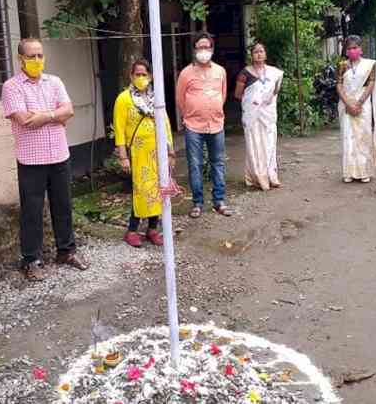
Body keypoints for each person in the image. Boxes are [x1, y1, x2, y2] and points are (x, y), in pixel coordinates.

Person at [1, 38, 89, 281]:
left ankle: (66, 251)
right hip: (31, 160)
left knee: (63, 205)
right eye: (31, 56)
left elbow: (69, 111)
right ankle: (31, 260)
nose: (37, 60)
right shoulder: (12, 87)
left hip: (59, 154)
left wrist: (44, 115)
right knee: (32, 211)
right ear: (21, 59)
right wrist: (55, 115)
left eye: (40, 55)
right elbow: (24, 119)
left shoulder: (55, 82)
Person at [113, 58, 175, 247]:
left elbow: (165, 123)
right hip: (137, 154)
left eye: (144, 74)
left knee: (159, 190)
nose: (141, 78)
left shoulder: (156, 98)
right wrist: (123, 156)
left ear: (150, 76)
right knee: (140, 191)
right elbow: (119, 129)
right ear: (131, 76)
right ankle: (132, 230)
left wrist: (170, 151)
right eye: (137, 74)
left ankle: (152, 229)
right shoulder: (124, 99)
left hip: (158, 153)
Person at [175, 32, 231, 218]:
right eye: (200, 47)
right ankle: (197, 203)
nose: (203, 50)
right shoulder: (186, 73)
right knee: (195, 165)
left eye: (207, 47)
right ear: (194, 50)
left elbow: (222, 95)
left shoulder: (220, 71)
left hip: (216, 124)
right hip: (193, 126)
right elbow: (180, 99)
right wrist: (190, 115)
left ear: (212, 49)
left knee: (218, 163)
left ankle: (219, 200)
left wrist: (212, 110)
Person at [336, 35, 376, 183]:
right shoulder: (342, 65)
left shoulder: (370, 65)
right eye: (349, 48)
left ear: (361, 49)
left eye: (355, 47)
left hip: (363, 104)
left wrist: (359, 102)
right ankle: (348, 172)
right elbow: (339, 84)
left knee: (364, 136)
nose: (352, 50)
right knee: (348, 137)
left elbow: (371, 83)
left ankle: (364, 172)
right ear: (346, 50)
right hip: (346, 103)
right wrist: (348, 103)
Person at [234, 42, 284, 190]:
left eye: (261, 51)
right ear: (251, 55)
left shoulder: (274, 73)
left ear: (265, 54)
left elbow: (275, 91)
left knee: (269, 142)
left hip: (268, 115)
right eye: (256, 52)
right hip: (252, 115)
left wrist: (265, 101)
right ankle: (258, 176)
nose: (259, 54)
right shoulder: (245, 73)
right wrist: (253, 102)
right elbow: (238, 94)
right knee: (254, 142)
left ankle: (271, 175)